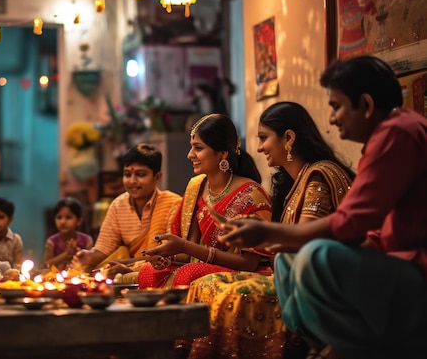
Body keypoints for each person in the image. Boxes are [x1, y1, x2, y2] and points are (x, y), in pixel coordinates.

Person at [219, 56, 427, 359]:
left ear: (366, 105)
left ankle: (357, 348)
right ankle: (319, 344)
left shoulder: (397, 133)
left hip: (415, 268)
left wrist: (266, 231)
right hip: (394, 259)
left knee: (317, 255)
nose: (331, 119)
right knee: (288, 258)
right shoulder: (392, 133)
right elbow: (375, 229)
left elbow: (349, 224)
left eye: (337, 106)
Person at [184, 102, 355, 359]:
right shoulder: (293, 183)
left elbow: (302, 242)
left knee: (228, 293)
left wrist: (260, 234)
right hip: (288, 273)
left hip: (317, 284)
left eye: (264, 138)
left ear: (288, 138)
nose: (259, 147)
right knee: (206, 284)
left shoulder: (317, 177)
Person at [138, 113, 272, 289]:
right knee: (148, 272)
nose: (189, 155)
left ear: (222, 154)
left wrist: (185, 247)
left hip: (239, 272)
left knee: (188, 274)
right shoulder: (197, 186)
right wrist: (166, 256)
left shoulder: (251, 194)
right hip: (200, 265)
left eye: (198, 148)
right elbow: (189, 253)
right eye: (191, 147)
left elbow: (248, 263)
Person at [71, 143, 181, 279]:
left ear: (157, 177)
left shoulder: (173, 203)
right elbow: (104, 248)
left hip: (161, 271)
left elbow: (169, 255)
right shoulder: (118, 205)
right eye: (127, 174)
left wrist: (127, 266)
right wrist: (88, 256)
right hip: (129, 272)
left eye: (140, 174)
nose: (132, 181)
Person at [43, 197, 94, 270]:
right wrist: (66, 254)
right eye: (59, 217)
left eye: (68, 217)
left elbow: (91, 265)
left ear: (79, 220)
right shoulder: (52, 242)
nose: (63, 222)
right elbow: (45, 266)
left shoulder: (86, 241)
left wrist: (78, 253)